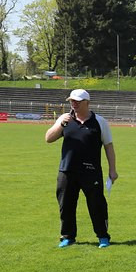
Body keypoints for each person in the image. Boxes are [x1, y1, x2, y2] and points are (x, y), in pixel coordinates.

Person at [44, 89, 117, 248]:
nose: (74, 104)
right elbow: (48, 138)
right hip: (67, 171)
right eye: (71, 101)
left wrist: (112, 170)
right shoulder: (65, 120)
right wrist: (61, 124)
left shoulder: (99, 121)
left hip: (91, 172)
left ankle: (103, 236)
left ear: (87, 103)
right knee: (66, 205)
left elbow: (108, 147)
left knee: (97, 205)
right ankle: (68, 237)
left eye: (77, 101)